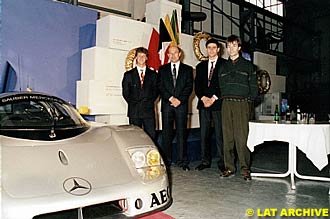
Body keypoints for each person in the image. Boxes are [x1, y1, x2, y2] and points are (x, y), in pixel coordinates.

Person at [218, 35, 258, 180]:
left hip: (242, 104)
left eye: (234, 45)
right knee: (227, 137)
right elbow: (221, 86)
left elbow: (254, 89)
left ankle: (245, 168)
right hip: (226, 104)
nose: (231, 49)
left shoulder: (248, 66)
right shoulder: (222, 67)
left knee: (242, 138)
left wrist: (248, 102)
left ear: (239, 48)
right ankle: (229, 167)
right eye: (228, 46)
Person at [158, 45, 193, 171]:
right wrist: (171, 98)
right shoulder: (162, 69)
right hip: (167, 105)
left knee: (181, 133)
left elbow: (189, 87)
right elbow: (160, 86)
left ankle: (182, 160)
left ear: (180, 54)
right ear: (167, 55)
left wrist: (180, 100)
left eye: (175, 53)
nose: (172, 55)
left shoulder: (188, 69)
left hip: (181, 106)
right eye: (170, 53)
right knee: (166, 134)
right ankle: (166, 160)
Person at [194, 38, 225, 172]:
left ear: (218, 49)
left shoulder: (225, 65)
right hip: (203, 104)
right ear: (206, 49)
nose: (211, 50)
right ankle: (205, 161)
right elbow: (197, 85)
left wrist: (213, 98)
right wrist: (203, 98)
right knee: (204, 134)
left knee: (220, 134)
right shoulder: (200, 66)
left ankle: (222, 162)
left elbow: (224, 85)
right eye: (209, 47)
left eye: (214, 47)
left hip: (218, 104)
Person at [122, 47, 158, 140]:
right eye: (139, 56)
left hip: (148, 111)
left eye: (144, 56)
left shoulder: (153, 75)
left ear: (147, 58)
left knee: (151, 137)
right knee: (134, 138)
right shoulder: (128, 75)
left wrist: (147, 102)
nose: (141, 58)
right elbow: (126, 93)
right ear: (136, 58)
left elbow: (156, 92)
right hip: (134, 111)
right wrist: (135, 103)